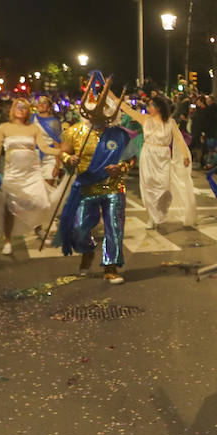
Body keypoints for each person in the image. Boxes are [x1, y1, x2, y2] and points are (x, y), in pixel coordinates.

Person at [56, 78, 135, 284]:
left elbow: (131, 158)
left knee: (114, 228)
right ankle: (87, 250)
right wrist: (69, 159)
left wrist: (122, 167)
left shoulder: (120, 135)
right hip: (86, 186)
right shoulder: (74, 132)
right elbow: (63, 154)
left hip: (113, 187)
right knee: (79, 228)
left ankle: (111, 266)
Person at [0, 98, 59, 255]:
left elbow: (45, 147)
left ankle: (38, 228)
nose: (21, 109)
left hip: (32, 174)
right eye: (18, 106)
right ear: (13, 109)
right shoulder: (4, 127)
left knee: (41, 203)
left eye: (24, 107)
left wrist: (63, 152)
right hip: (12, 173)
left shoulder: (33, 128)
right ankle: (8, 240)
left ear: (27, 111)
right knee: (10, 208)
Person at [123, 96, 197, 233]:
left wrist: (185, 156)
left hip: (163, 156)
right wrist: (110, 95)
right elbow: (126, 109)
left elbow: (179, 139)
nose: (148, 108)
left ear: (159, 108)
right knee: (148, 186)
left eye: (151, 105)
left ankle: (160, 213)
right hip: (148, 154)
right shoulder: (145, 119)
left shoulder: (170, 123)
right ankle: (152, 217)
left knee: (164, 188)